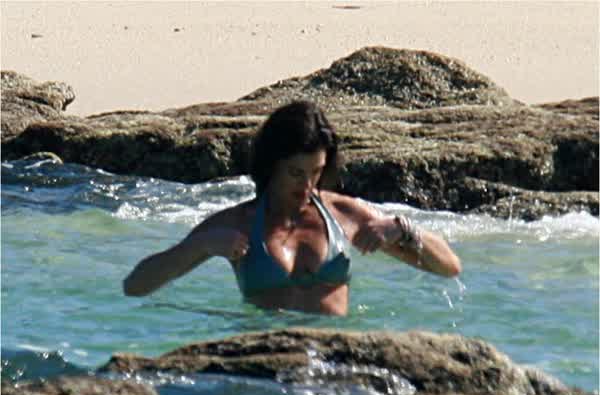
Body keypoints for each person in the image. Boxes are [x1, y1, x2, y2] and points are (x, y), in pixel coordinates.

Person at [123, 101, 461, 316]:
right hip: (267, 358)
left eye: (316, 172)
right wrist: (202, 245)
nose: (308, 185)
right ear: (272, 166)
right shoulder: (239, 223)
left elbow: (449, 267)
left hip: (334, 357)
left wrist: (402, 228)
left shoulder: (343, 215)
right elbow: (136, 285)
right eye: (296, 174)